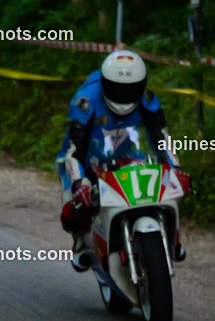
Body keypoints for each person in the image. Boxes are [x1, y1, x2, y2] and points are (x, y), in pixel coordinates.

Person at [56, 49, 190, 271]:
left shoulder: (148, 100)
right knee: (74, 205)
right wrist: (80, 183)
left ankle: (173, 241)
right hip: (83, 160)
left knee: (169, 185)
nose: (123, 96)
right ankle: (81, 243)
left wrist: (176, 167)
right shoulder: (84, 102)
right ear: (105, 84)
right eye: (117, 89)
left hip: (124, 154)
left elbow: (161, 137)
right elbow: (74, 151)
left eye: (130, 89)